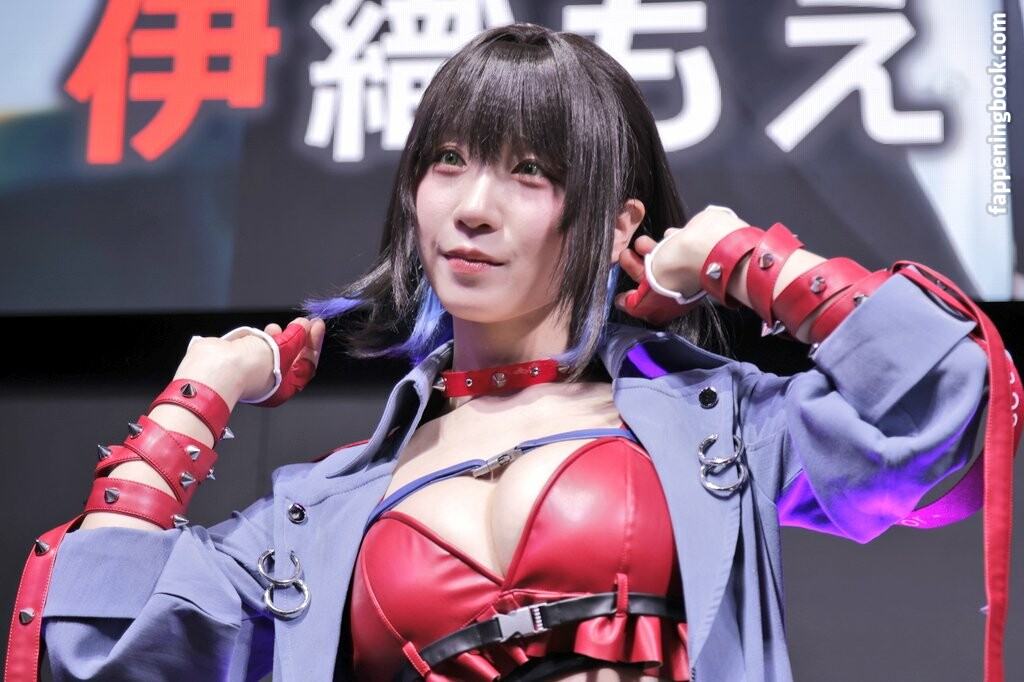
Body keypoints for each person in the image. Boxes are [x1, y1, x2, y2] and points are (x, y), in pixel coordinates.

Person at [7, 22, 1016, 682]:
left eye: (528, 172)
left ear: (615, 222)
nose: (472, 207)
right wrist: (192, 403)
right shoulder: (324, 509)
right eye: (448, 161)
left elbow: (952, 407)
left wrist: (750, 262)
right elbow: (98, 653)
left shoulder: (719, 431)